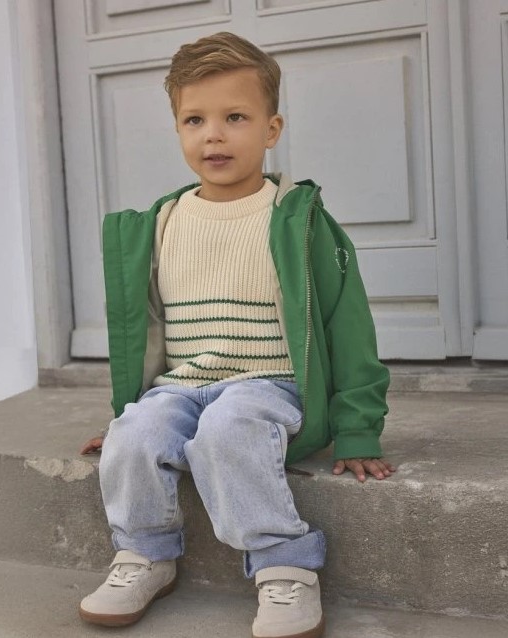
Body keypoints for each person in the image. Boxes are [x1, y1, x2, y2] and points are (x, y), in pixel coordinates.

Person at [77, 32, 395, 638]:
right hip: (181, 386)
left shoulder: (298, 221)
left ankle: (284, 563)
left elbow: (347, 324)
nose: (214, 136)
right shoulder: (159, 223)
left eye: (235, 118)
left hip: (267, 383)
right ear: (177, 129)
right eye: (194, 120)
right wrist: (126, 413)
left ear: (271, 130)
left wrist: (358, 428)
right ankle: (145, 553)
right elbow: (145, 332)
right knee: (136, 433)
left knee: (228, 428)